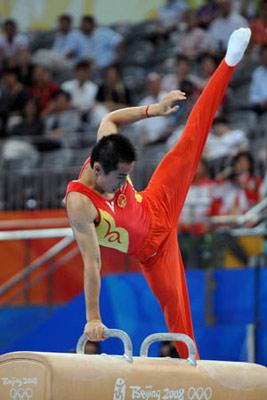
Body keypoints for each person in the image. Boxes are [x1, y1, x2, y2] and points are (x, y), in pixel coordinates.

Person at [65, 28, 251, 359]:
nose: (124, 181)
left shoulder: (105, 147)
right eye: (119, 176)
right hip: (152, 253)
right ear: (97, 170)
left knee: (192, 136)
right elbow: (92, 262)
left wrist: (155, 109)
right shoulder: (79, 203)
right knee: (176, 317)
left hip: (157, 200)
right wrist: (93, 317)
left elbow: (110, 118)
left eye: (128, 173)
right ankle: (192, 372)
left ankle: (229, 63)